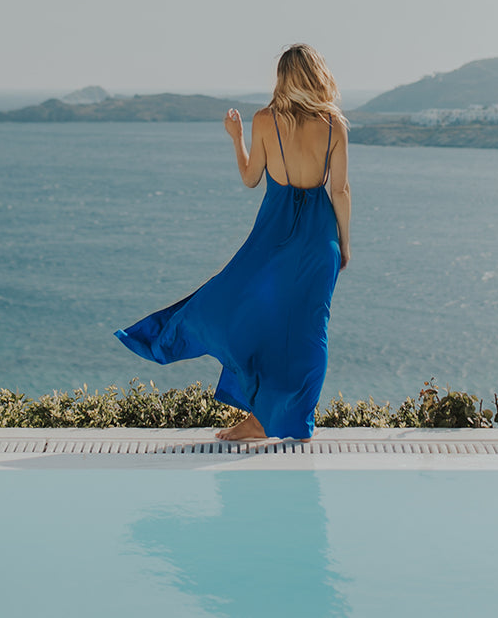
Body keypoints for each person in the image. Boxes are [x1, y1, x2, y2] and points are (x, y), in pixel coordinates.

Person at [114, 43, 351, 441]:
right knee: (311, 331)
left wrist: (236, 138)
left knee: (241, 308)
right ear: (319, 76)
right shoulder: (334, 125)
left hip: (273, 238)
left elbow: (250, 177)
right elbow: (340, 191)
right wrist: (343, 244)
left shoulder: (264, 121)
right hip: (318, 239)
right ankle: (293, 422)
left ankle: (258, 416)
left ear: (283, 78)